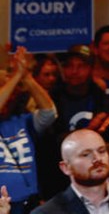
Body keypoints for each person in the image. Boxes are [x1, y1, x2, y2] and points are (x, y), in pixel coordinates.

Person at [33, 129, 109, 214]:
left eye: (101, 151)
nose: (97, 159)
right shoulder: (47, 212)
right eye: (86, 155)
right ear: (66, 167)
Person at [0, 46, 57, 214]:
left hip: (27, 204)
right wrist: (16, 76)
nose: (8, 94)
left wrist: (26, 77)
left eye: (11, 90)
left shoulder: (23, 121)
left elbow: (49, 112)